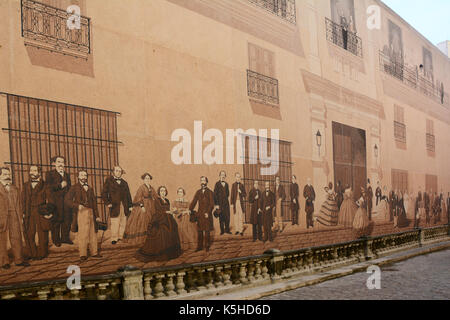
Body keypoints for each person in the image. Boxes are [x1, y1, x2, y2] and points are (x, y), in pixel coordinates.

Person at [136, 186, 182, 262]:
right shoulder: (157, 200)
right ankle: (162, 252)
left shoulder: (167, 200)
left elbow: (168, 209)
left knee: (174, 226)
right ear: (159, 192)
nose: (163, 192)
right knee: (163, 230)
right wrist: (167, 212)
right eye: (161, 191)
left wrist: (173, 211)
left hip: (168, 218)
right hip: (159, 218)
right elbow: (158, 211)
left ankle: (170, 251)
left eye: (164, 191)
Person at [64, 171, 102, 262]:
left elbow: (94, 203)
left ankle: (94, 252)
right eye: (82, 175)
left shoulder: (90, 188)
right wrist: (77, 206)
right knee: (83, 234)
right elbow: (67, 200)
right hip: (81, 213)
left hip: (91, 212)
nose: (84, 177)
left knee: (93, 233)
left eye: (85, 175)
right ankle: (83, 254)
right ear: (78, 177)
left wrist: (97, 215)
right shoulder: (74, 188)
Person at [0, 167, 29, 269]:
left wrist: (20, 216)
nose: (7, 177)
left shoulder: (14, 188)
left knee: (16, 237)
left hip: (14, 215)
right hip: (1, 216)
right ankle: (4, 262)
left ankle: (19, 259)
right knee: (1, 239)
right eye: (4, 174)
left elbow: (19, 204)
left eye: (8, 174)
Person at [22, 165, 51, 261]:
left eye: (34, 171)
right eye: (31, 170)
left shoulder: (45, 184)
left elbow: (50, 200)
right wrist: (23, 212)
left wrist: (49, 212)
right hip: (29, 211)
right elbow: (23, 199)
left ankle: (42, 253)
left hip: (41, 210)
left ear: (39, 173)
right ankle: (32, 253)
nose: (32, 172)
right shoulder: (26, 185)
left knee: (42, 232)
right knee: (29, 233)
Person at [101, 166, 133, 245]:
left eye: (120, 171)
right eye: (117, 171)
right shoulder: (109, 181)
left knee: (123, 221)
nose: (119, 172)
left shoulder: (124, 183)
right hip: (114, 205)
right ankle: (114, 238)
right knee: (115, 221)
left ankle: (120, 237)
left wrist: (130, 205)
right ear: (113, 172)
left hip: (124, 205)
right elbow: (104, 193)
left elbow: (128, 195)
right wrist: (108, 203)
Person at [123, 173, 157, 245]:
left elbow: (155, 196)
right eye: (146, 178)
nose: (147, 180)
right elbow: (138, 198)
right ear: (143, 180)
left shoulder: (151, 188)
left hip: (151, 206)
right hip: (144, 206)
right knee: (143, 221)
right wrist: (142, 206)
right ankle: (142, 239)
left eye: (148, 178)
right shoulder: (141, 188)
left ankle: (150, 238)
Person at [45, 156, 71, 247]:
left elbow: (70, 189)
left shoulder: (67, 175)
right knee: (56, 221)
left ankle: (65, 238)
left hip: (66, 202)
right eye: (58, 162)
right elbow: (48, 188)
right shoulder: (50, 174)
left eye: (62, 162)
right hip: (56, 202)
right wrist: (60, 185)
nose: (61, 164)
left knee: (66, 220)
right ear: (54, 163)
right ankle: (56, 240)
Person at [189, 177, 215, 252]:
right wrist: (190, 209)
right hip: (200, 214)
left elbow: (212, 204)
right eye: (201, 181)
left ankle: (207, 246)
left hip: (207, 214)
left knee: (207, 231)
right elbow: (194, 201)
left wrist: (208, 212)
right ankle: (199, 246)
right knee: (199, 231)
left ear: (207, 182)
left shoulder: (210, 192)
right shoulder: (198, 192)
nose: (202, 182)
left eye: (204, 181)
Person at [213, 171, 231, 235]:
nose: (223, 176)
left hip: (226, 203)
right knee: (221, 217)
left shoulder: (226, 184)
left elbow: (228, 193)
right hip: (220, 203)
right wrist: (216, 204)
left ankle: (227, 230)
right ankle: (222, 231)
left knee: (227, 217)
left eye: (224, 175)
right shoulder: (217, 184)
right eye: (221, 175)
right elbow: (215, 194)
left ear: (225, 176)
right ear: (219, 176)